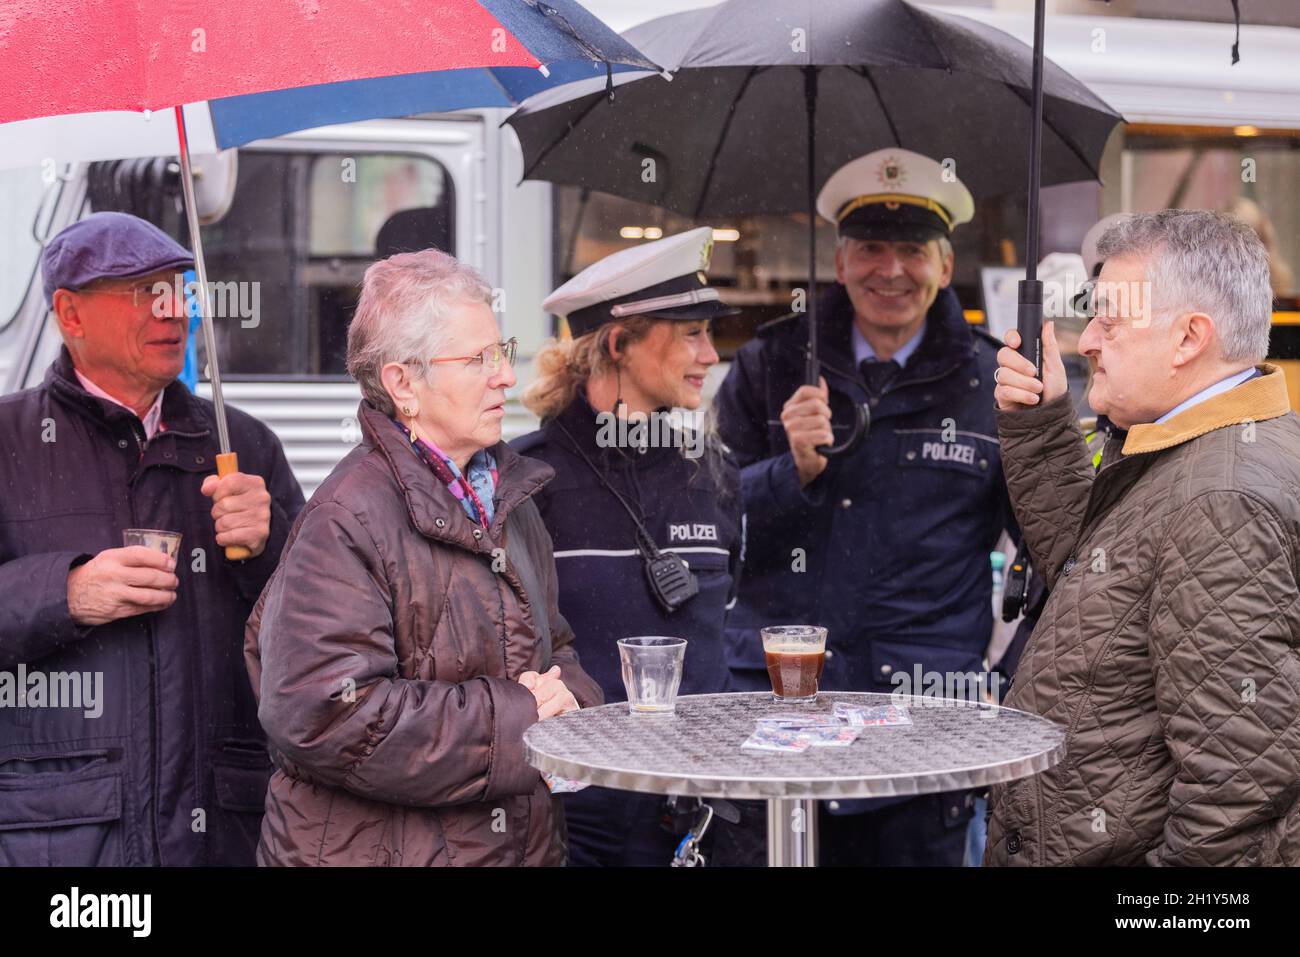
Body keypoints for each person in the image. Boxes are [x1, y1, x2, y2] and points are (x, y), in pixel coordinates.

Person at [244, 248, 603, 866]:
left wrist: (571, 701)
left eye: (503, 351)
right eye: (478, 359)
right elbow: (324, 715)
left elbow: (555, 648)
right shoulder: (346, 519)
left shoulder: (509, 499)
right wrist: (522, 721)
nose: (506, 377)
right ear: (402, 384)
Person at [712, 149, 1017, 866]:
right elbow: (711, 533)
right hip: (779, 724)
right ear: (841, 262)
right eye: (871, 250)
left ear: (944, 265)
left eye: (912, 250)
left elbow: (1048, 547)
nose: (891, 270)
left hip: (922, 738)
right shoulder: (771, 364)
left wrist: (1006, 687)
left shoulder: (990, 379)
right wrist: (790, 472)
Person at [987, 209, 1300, 866]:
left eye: (1109, 318)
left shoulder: (1220, 497)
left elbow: (1239, 784)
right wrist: (1043, 426)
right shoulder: (1181, 446)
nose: (1088, 341)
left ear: (1188, 338)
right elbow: (1095, 589)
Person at [0, 211, 305, 865]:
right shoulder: (9, 442)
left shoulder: (241, 445)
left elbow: (318, 638)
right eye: (146, 295)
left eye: (180, 293)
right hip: (59, 839)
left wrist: (271, 546)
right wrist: (66, 592)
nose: (173, 314)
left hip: (222, 834)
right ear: (70, 314)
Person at [513, 227, 744, 866]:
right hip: (580, 820)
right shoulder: (529, 481)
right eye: (691, 333)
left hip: (703, 805)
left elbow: (724, 626)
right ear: (619, 343)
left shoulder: (711, 472)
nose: (711, 354)